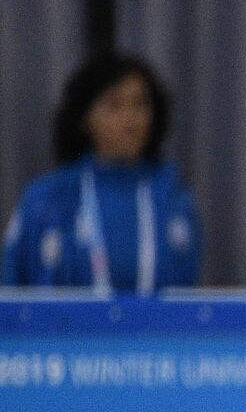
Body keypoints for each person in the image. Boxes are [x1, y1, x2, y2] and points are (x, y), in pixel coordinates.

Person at [2, 54, 199, 294]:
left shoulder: (173, 198)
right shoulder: (48, 199)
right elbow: (11, 291)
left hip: (154, 331)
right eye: (114, 105)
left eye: (140, 104)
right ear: (85, 118)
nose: (130, 118)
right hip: (63, 331)